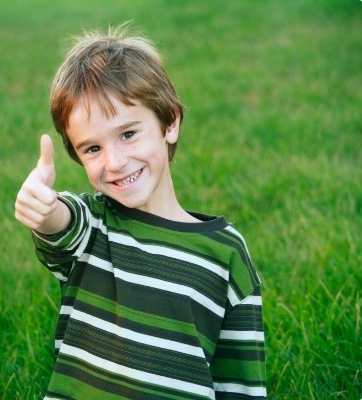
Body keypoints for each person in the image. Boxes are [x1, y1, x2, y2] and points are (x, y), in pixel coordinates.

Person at [15, 24, 266, 400]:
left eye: (128, 134)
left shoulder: (226, 253)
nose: (114, 162)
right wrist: (45, 209)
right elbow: (62, 224)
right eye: (92, 149)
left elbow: (240, 383)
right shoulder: (93, 227)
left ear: (170, 123)